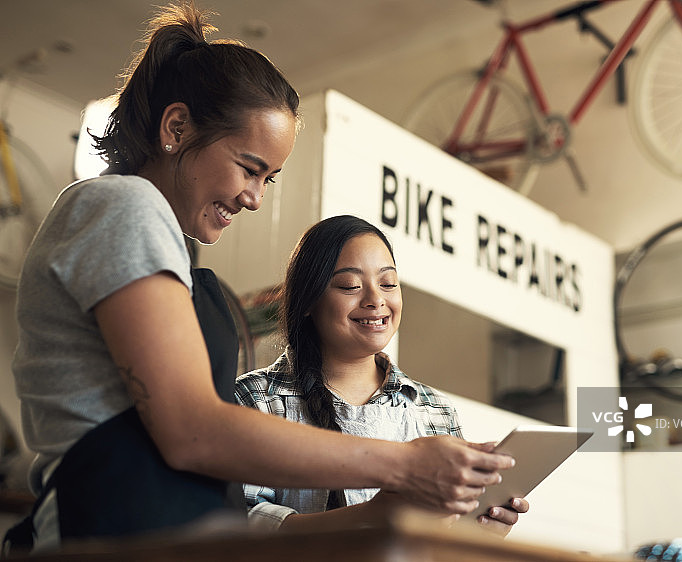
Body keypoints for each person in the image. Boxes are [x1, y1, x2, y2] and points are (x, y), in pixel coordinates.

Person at [4, 3, 513, 555]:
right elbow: (193, 429)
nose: (255, 198)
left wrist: (388, 511)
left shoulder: (165, 240)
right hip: (110, 535)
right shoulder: (122, 206)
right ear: (176, 127)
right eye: (249, 168)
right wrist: (405, 464)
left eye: (269, 178)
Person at [235, 215, 529, 536]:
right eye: (350, 286)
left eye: (388, 283)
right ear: (308, 299)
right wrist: (371, 516)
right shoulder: (253, 399)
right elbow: (234, 529)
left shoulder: (434, 409)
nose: (376, 300)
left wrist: (481, 533)